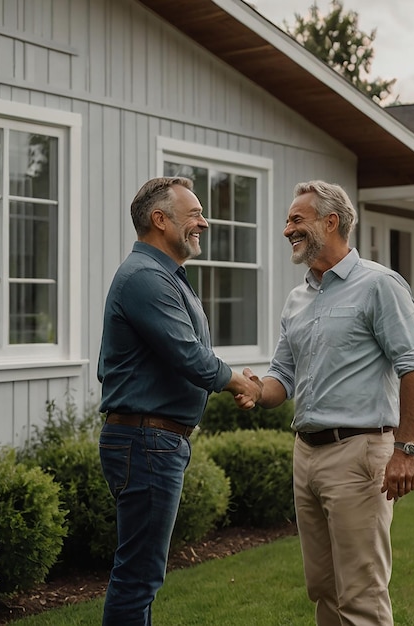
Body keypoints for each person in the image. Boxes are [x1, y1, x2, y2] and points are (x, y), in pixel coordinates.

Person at [246, 181, 414, 626]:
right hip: (306, 455)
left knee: (361, 596)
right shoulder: (297, 299)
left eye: (297, 219)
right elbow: (282, 378)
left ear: (331, 222)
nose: (287, 228)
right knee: (324, 590)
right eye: (288, 220)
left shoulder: (378, 285)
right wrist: (253, 389)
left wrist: (406, 449)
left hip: (358, 455)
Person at [97, 176, 261, 626]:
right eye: (194, 215)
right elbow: (190, 356)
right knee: (139, 578)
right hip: (146, 442)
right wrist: (240, 384)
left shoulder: (160, 275)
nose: (203, 223)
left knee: (142, 575)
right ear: (159, 220)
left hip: (151, 441)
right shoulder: (147, 277)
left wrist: (226, 380)